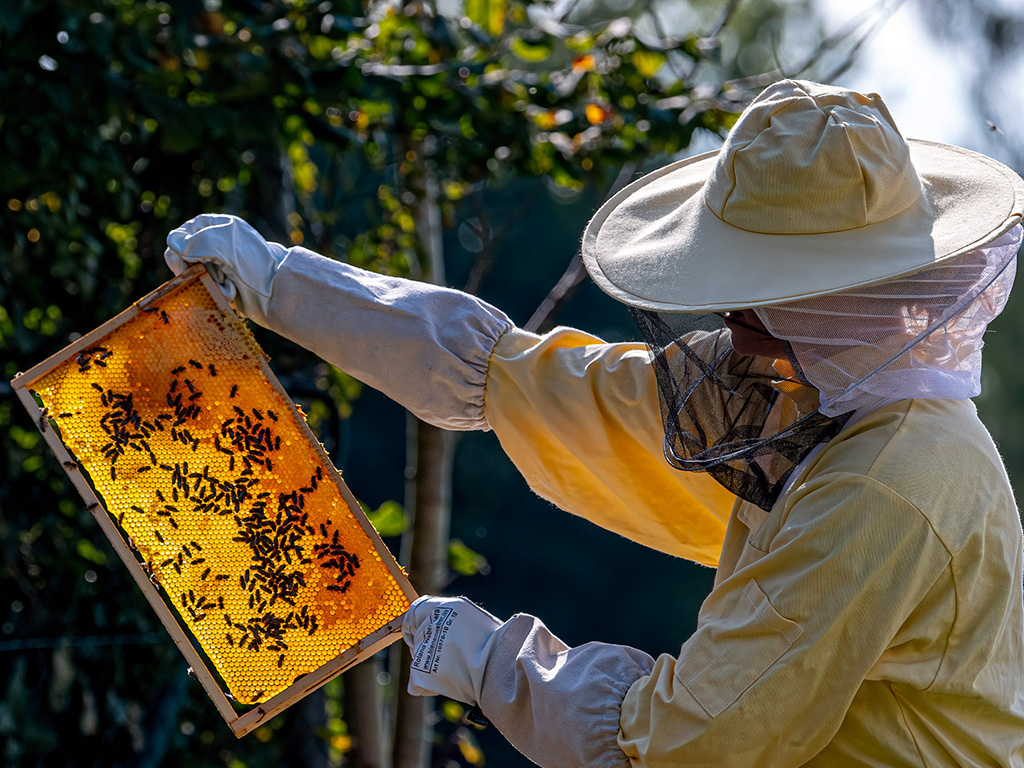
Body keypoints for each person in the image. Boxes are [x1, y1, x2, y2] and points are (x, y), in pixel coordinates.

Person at [165, 80, 1024, 766]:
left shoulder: (888, 488)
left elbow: (699, 742)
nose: (728, 319)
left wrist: (494, 661)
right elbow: (531, 380)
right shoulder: (800, 396)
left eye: (753, 295)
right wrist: (282, 285)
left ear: (828, 304)